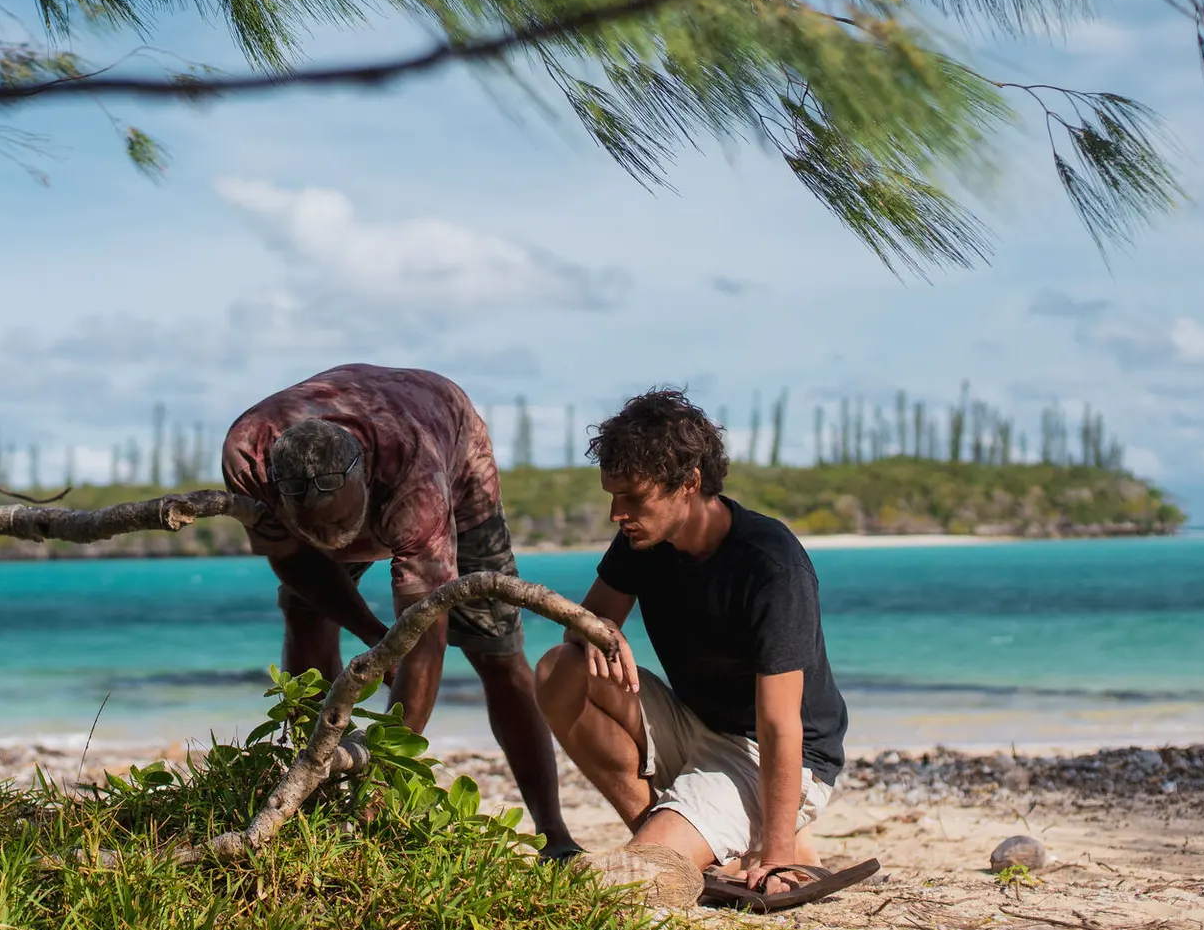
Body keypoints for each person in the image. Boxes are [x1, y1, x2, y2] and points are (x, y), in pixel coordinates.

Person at [221, 363, 580, 858]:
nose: (333, 540)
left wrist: (385, 773)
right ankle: (311, 795)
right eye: (314, 529)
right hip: (362, 455)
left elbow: (426, 631)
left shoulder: (414, 479)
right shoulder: (248, 455)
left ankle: (555, 836)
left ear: (366, 479)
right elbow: (292, 560)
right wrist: (374, 636)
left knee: (497, 654)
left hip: (451, 455)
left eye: (343, 521)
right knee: (306, 615)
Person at [534, 389, 848, 897]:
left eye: (632, 497)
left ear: (689, 483)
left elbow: (778, 722)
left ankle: (756, 837)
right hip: (696, 724)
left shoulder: (769, 565)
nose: (617, 513)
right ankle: (677, 835)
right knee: (559, 668)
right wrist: (604, 631)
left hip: (768, 751)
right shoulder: (643, 539)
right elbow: (583, 628)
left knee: (634, 881)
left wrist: (777, 857)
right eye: (612, 496)